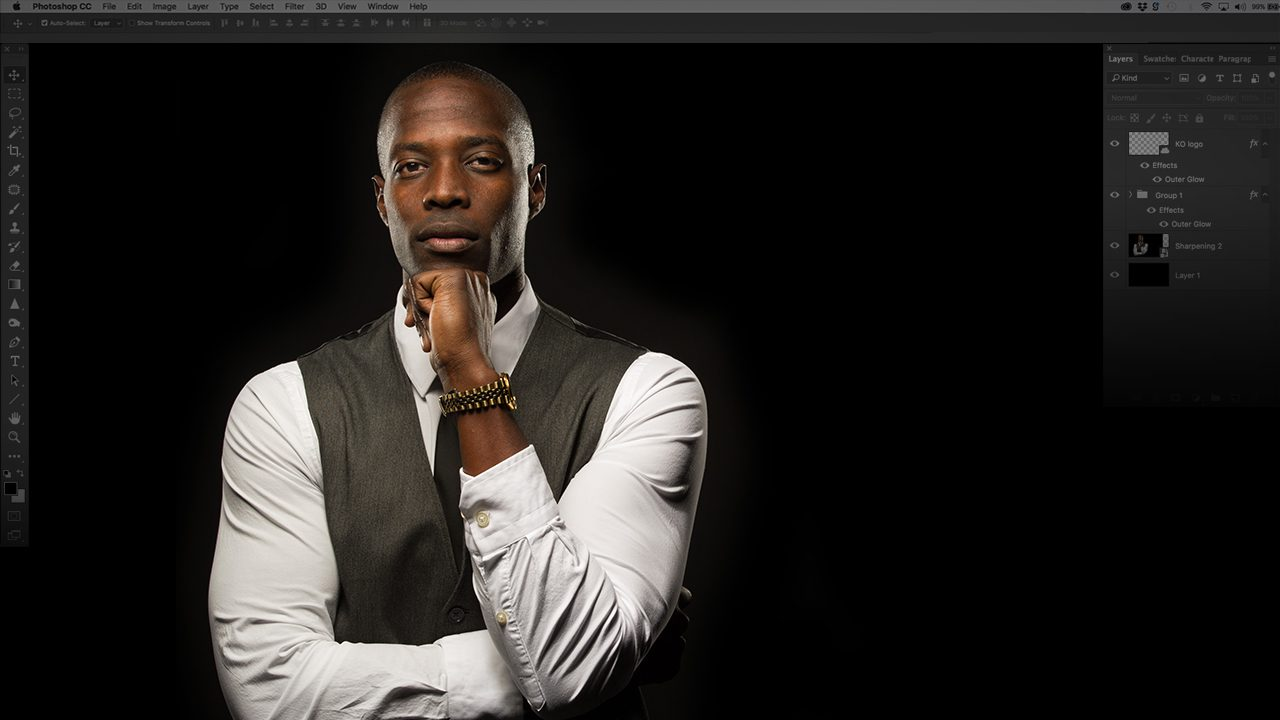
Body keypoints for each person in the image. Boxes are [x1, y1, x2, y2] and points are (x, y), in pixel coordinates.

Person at [208, 61, 707, 719]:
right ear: (382, 199)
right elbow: (269, 691)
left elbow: (568, 669)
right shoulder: (282, 405)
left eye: (481, 162)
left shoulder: (648, 391)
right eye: (412, 167)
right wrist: (565, 666)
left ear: (535, 188)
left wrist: (468, 368)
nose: (444, 191)